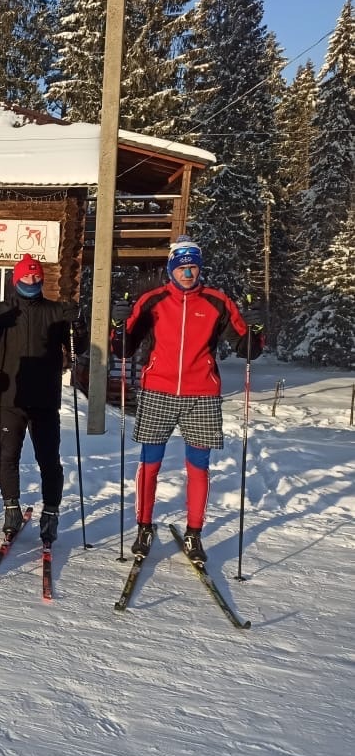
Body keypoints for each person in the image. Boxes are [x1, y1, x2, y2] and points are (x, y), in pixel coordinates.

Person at [111, 236, 264, 564]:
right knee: (150, 462)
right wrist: (118, 323)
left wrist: (256, 327)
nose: (188, 273)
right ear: (171, 269)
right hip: (158, 391)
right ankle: (144, 527)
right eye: (182, 267)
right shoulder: (153, 301)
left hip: (202, 394)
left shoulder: (216, 302)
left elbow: (248, 349)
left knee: (198, 466)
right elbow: (122, 348)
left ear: (200, 268)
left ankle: (194, 533)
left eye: (193, 267)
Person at [0, 254, 81, 547]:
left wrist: (78, 323)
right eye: (26, 276)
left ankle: (51, 512)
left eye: (36, 275)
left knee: (49, 460)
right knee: (8, 456)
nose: (32, 280)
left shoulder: (55, 311)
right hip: (11, 397)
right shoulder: (3, 311)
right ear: (16, 279)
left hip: (45, 399)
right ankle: (11, 509)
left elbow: (76, 347)